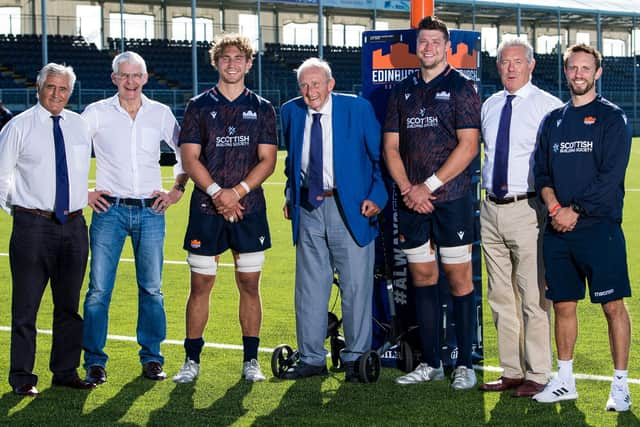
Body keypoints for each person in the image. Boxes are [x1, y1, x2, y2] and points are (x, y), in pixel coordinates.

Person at [172, 33, 277, 384]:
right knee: (200, 284)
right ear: (216, 63)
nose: (232, 63)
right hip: (206, 206)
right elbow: (190, 157)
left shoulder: (263, 108)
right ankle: (191, 361)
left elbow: (268, 160)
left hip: (249, 207)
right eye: (225, 58)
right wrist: (219, 193)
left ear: (249, 64)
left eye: (239, 58)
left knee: (249, 283)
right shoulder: (198, 106)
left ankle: (251, 361)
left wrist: (238, 192)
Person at [532, 44, 632, 412]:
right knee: (563, 305)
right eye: (572, 67)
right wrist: (556, 207)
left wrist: (575, 210)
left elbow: (610, 177)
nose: (578, 74)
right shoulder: (553, 120)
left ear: (597, 73)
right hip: (557, 230)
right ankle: (565, 380)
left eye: (585, 68)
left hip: (598, 229)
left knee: (612, 307)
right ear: (566, 71)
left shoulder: (612, 119)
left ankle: (620, 385)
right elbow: (542, 173)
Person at [383, 16, 481, 390]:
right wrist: (410, 188)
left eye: (435, 42)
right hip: (411, 201)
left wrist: (430, 186)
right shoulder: (401, 91)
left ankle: (465, 364)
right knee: (423, 278)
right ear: (416, 46)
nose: (428, 48)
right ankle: (432, 362)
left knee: (458, 279)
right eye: (423, 42)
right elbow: (390, 148)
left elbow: (469, 145)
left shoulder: (462, 87)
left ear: (447, 46)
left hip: (451, 199)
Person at [81, 51, 188, 384]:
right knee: (99, 290)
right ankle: (95, 362)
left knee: (152, 289)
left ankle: (152, 358)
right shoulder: (96, 113)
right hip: (108, 211)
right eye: (123, 75)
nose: (130, 82)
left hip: (151, 211)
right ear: (114, 78)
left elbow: (185, 151)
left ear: (145, 77)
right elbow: (71, 151)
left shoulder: (160, 113)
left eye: (136, 75)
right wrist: (83, 194)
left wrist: (176, 191)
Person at [280, 57, 387, 382]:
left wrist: (377, 197)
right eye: (305, 85)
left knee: (355, 287)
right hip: (309, 208)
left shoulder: (357, 110)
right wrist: (290, 194)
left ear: (331, 84)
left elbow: (380, 159)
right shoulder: (291, 111)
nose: (310, 91)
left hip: (351, 208)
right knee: (309, 289)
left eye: (316, 84)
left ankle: (356, 358)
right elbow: (291, 162)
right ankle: (312, 357)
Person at [0, 63, 95, 396]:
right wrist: (21, 210)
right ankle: (22, 377)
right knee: (26, 306)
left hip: (73, 225)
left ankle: (65, 371)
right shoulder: (19, 126)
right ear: (38, 87)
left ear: (70, 91)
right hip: (32, 225)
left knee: (69, 304)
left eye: (63, 88)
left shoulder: (81, 126)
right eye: (51, 87)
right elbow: (2, 175)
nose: (57, 94)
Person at [478, 39, 562, 397]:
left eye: (517, 62)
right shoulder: (490, 105)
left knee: (533, 296)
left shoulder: (549, 107)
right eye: (504, 62)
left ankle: (539, 372)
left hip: (528, 210)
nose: (510, 68)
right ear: (497, 67)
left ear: (531, 65)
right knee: (500, 296)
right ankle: (511, 370)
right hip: (490, 209)